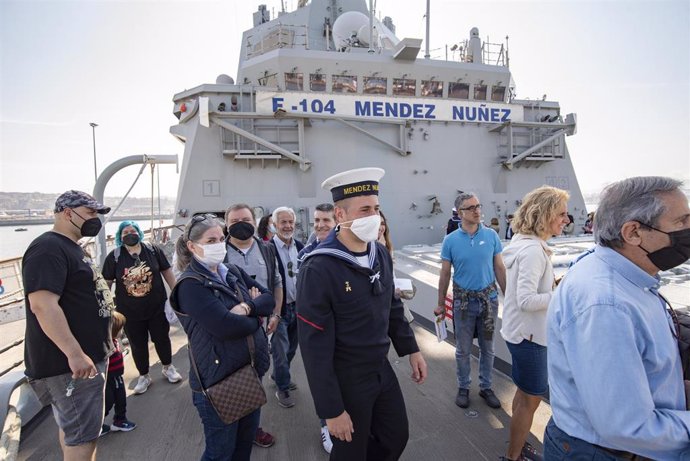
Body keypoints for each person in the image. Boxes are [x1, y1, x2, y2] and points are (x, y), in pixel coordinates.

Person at [545, 176, 690, 460]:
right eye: (682, 221)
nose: (689, 229)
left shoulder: (617, 272)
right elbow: (627, 427)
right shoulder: (606, 305)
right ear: (633, 232)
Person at [297, 167, 427, 461]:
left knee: (395, 436)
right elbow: (313, 346)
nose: (375, 217)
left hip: (380, 367)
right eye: (365, 209)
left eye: (377, 209)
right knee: (351, 451)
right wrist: (331, 410)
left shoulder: (378, 254)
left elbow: (391, 304)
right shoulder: (318, 268)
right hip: (346, 376)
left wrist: (411, 349)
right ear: (340, 216)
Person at [169, 214, 275, 461]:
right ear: (193, 246)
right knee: (220, 453)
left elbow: (268, 299)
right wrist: (255, 313)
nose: (219, 244)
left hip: (248, 374)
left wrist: (247, 308)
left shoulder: (233, 271)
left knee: (243, 446)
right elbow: (226, 327)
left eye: (220, 238)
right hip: (219, 382)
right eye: (210, 240)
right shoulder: (190, 286)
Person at [23, 190, 113, 461]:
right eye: (90, 213)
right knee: (83, 437)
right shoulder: (48, 248)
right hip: (69, 366)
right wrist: (74, 353)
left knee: (74, 430)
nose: (95, 219)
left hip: (85, 358)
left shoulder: (71, 248)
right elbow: (42, 305)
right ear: (67, 213)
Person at [500, 186, 570, 461]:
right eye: (561, 214)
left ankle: (517, 445)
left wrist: (551, 286)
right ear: (545, 214)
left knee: (524, 394)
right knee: (531, 400)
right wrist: (560, 293)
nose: (566, 219)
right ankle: (514, 456)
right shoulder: (532, 252)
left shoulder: (522, 243)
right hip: (531, 338)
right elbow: (526, 300)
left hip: (519, 333)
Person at [433, 192, 506, 409]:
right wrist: (439, 304)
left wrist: (508, 298)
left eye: (478, 206)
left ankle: (486, 387)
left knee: (488, 348)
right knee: (463, 349)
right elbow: (445, 274)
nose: (477, 210)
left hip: (488, 302)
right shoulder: (450, 240)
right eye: (471, 207)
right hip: (463, 304)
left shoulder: (491, 236)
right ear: (460, 213)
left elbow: (499, 268)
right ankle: (463, 387)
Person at [224, 203, 283, 448]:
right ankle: (231, 428)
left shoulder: (267, 249)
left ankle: (252, 428)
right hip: (230, 329)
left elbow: (277, 282)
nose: (241, 224)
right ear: (226, 225)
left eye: (246, 219)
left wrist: (276, 314)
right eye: (235, 221)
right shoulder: (220, 252)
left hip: (261, 328)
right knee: (231, 379)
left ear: (254, 220)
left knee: (256, 376)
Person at [102, 220, 181, 395]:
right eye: (124, 232)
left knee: (161, 338)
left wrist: (177, 293)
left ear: (139, 232)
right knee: (137, 344)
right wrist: (105, 307)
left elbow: (167, 271)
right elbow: (106, 284)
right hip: (129, 312)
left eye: (132, 230)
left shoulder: (152, 250)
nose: (129, 234)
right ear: (120, 236)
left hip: (156, 307)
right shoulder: (114, 256)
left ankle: (168, 367)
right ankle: (144, 375)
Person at [297, 202, 337, 454]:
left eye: (326, 221)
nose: (321, 225)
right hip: (319, 327)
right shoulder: (307, 253)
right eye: (317, 221)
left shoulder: (344, 249)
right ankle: (327, 425)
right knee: (323, 378)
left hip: (343, 329)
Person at [269, 206, 304, 408]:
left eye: (291, 222)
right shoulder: (267, 249)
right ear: (274, 225)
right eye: (283, 222)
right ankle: (282, 387)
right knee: (280, 351)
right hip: (278, 310)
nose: (288, 226)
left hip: (298, 307)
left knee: (291, 348)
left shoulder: (300, 246)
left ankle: (278, 375)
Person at [101, 311, 137, 436]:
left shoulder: (115, 341)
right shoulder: (106, 345)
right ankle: (99, 424)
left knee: (120, 399)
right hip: (111, 377)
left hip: (117, 376)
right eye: (120, 328)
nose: (122, 331)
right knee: (110, 400)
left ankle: (119, 419)